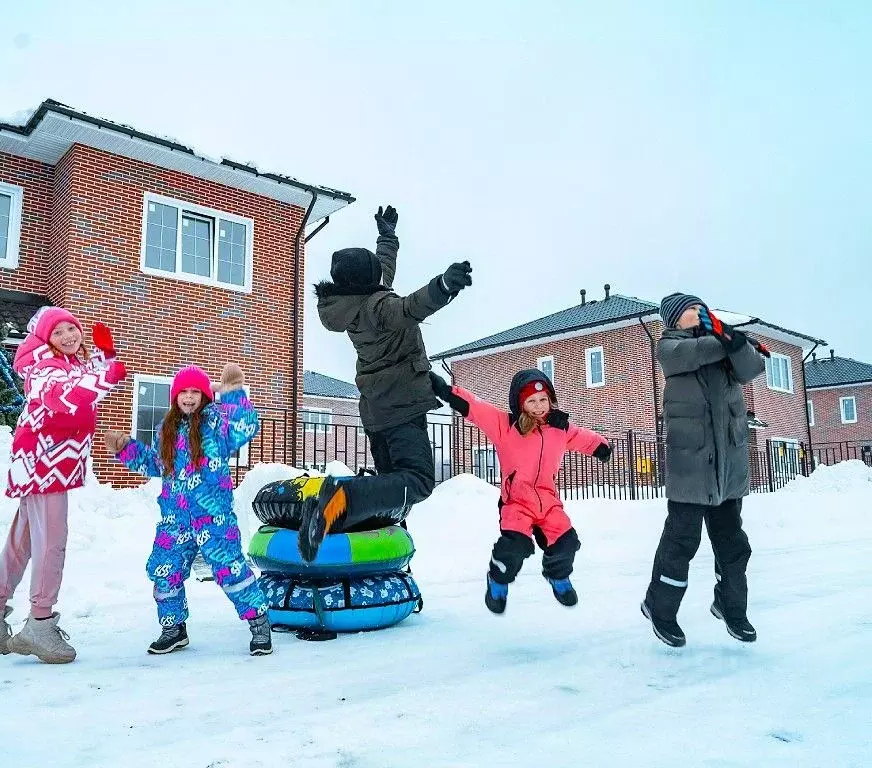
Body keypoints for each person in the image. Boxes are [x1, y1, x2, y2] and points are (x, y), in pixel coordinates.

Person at [298, 204, 473, 561]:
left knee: (392, 491)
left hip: (377, 410)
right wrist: (442, 286)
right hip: (400, 407)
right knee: (419, 480)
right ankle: (342, 499)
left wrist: (387, 235)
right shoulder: (380, 308)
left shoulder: (356, 303)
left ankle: (377, 557)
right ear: (368, 282)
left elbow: (383, 269)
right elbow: (411, 307)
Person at [0, 307, 127, 663]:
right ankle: (40, 623)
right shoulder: (43, 368)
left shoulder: (65, 364)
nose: (69, 336)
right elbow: (67, 396)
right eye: (59, 331)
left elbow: (87, 376)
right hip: (44, 463)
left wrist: (106, 356)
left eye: (72, 329)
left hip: (47, 463)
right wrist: (108, 374)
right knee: (52, 543)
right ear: (44, 338)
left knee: (24, 541)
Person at [103, 363, 272, 656]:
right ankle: (174, 628)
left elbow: (245, 426)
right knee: (163, 570)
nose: (190, 397)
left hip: (213, 516)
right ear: (175, 396)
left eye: (196, 391)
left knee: (229, 569)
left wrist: (233, 395)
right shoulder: (165, 429)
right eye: (184, 391)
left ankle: (258, 622)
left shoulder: (217, 423)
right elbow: (156, 464)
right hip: (175, 519)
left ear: (205, 395)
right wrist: (126, 448)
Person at [641, 293, 768, 647]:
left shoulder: (723, 349)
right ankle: (660, 609)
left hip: (728, 471)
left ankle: (731, 608)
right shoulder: (669, 347)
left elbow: (753, 368)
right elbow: (697, 353)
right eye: (688, 311)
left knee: (734, 545)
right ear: (673, 320)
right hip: (690, 470)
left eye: (700, 308)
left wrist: (735, 342)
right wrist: (733, 340)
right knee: (681, 543)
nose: (697, 314)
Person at [431, 368, 611, 611]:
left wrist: (601, 446)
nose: (539, 406)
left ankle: (557, 575)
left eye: (543, 400)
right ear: (520, 402)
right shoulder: (506, 426)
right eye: (531, 401)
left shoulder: (560, 428)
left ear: (550, 399)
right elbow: (476, 408)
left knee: (567, 541)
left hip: (548, 502)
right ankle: (497, 578)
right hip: (516, 502)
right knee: (515, 547)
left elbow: (583, 437)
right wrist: (446, 391)